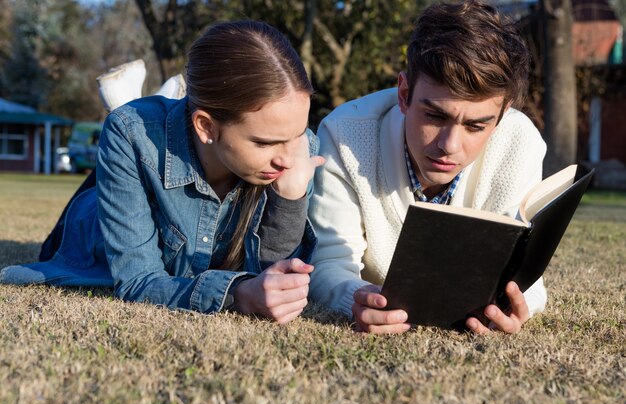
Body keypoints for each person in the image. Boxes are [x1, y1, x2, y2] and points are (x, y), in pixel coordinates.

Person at [0, 20, 324, 324]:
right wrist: (237, 294)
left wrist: (289, 199)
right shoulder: (126, 134)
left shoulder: (298, 151)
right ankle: (147, 111)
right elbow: (138, 281)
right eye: (265, 142)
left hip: (190, 141)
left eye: (296, 134)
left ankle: (165, 104)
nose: (287, 158)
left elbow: (274, 284)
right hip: (92, 232)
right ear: (206, 126)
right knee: (135, 131)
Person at [308, 1, 548, 334]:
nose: (449, 145)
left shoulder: (520, 142)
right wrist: (355, 297)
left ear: (502, 116)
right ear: (404, 93)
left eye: (477, 126)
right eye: (435, 116)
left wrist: (518, 304)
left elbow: (525, 273)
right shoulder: (345, 134)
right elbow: (328, 262)